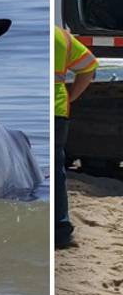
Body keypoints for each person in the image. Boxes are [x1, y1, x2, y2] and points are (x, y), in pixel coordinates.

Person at [54, 26, 98, 249]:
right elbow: (90, 66)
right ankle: (60, 233)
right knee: (57, 172)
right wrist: (72, 96)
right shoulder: (61, 36)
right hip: (58, 109)